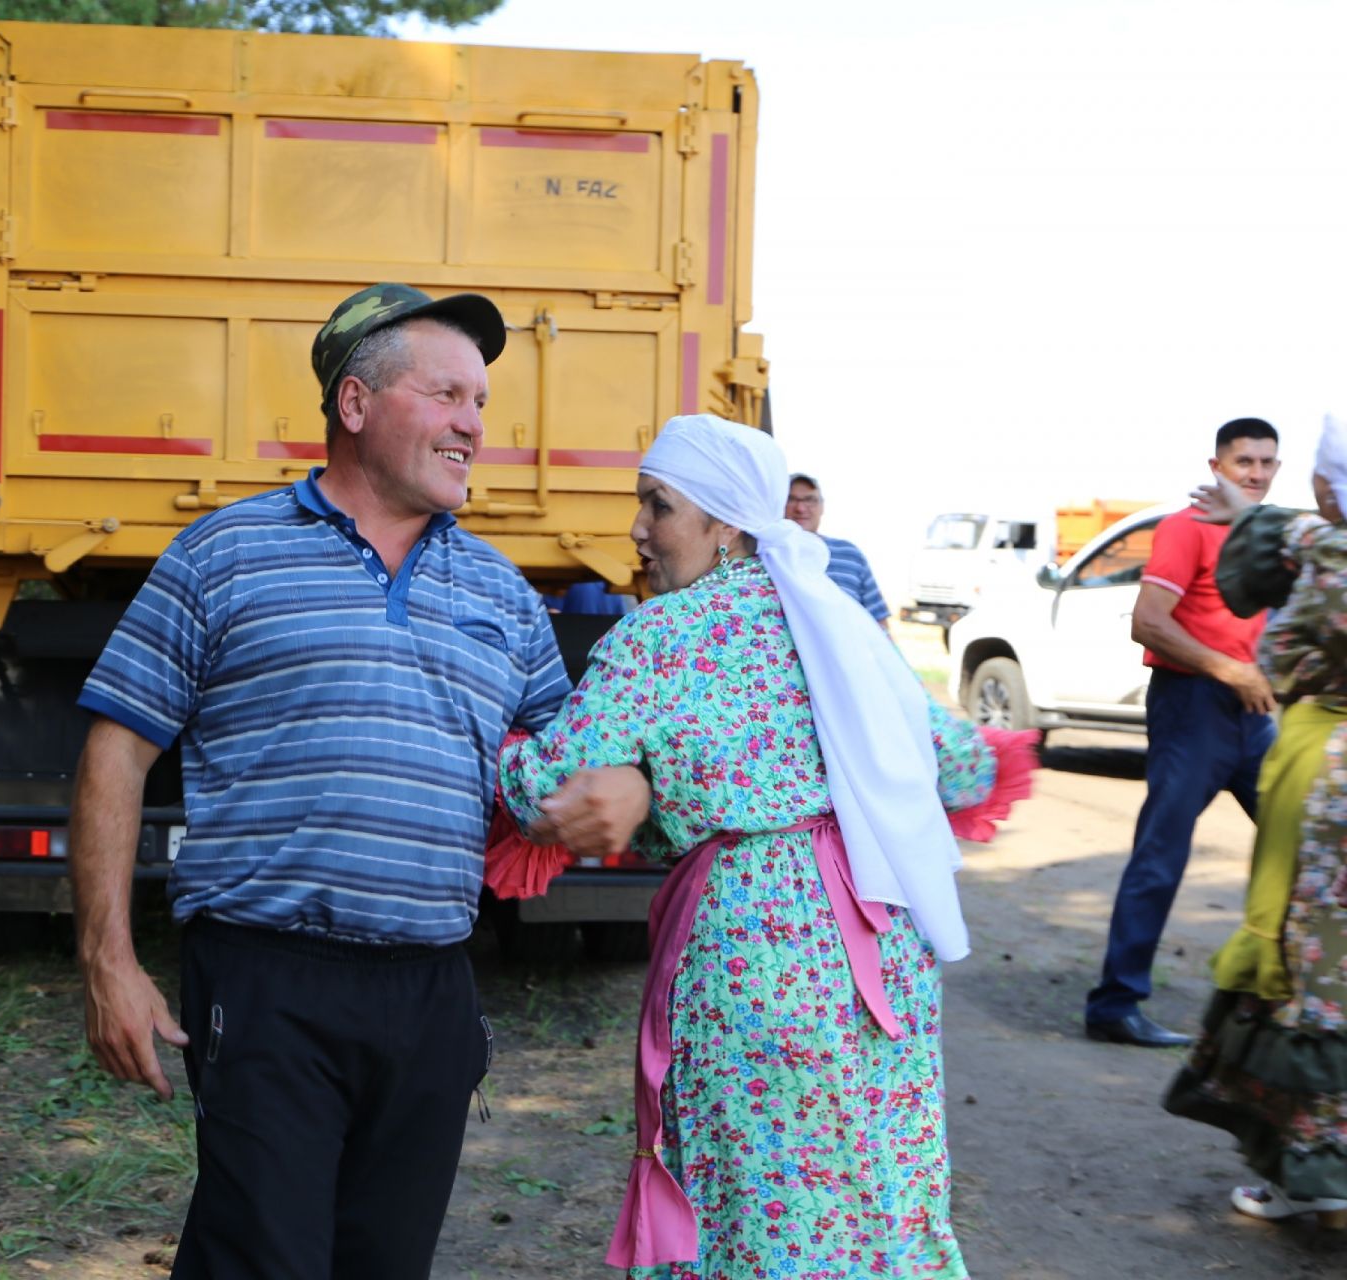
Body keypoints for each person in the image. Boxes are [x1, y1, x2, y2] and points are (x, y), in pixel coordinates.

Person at [67, 282, 649, 1280]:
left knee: (383, 1261)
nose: (475, 422)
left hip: (429, 992)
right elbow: (116, 748)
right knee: (263, 1257)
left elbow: (575, 754)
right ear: (355, 403)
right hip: (266, 977)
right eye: (448, 393)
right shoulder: (226, 554)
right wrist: (108, 959)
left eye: (482, 402)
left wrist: (626, 787)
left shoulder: (502, 593)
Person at [497, 416, 1032, 1278]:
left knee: (757, 1186)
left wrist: (500, 743)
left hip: (750, 942)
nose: (637, 529)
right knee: (873, 1178)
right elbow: (965, 767)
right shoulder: (839, 628)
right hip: (876, 937)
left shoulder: (658, 639)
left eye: (657, 506)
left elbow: (547, 794)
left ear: (726, 524)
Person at [1162, 420, 1347, 1227]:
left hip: (1328, 780)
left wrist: (1245, 513)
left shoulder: (1329, 558)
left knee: (1303, 962)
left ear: (1327, 483)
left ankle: (1313, 1171)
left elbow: (1279, 596)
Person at [1085, 417, 1281, 1047]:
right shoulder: (1184, 529)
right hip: (1193, 704)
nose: (1256, 473)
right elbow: (1147, 622)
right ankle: (1115, 1005)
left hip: (1254, 711)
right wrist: (1229, 669)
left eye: (1267, 462)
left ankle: (1288, 1000)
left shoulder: (1265, 536)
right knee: (1161, 855)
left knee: (1302, 844)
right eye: (1244, 461)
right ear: (1216, 466)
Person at [784, 471, 890, 629]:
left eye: (810, 500)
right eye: (791, 499)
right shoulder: (767, 556)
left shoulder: (850, 554)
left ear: (822, 507)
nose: (800, 508)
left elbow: (879, 621)